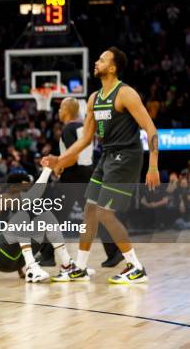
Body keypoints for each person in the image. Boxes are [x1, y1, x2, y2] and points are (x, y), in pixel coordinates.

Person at [47, 47, 160, 284]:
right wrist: (61, 160)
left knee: (104, 213)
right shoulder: (94, 98)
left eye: (102, 59)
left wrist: (153, 165)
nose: (96, 62)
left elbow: (150, 129)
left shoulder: (126, 93)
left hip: (127, 156)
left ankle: (135, 266)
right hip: (107, 156)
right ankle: (79, 266)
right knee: (90, 210)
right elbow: (85, 139)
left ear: (113, 67)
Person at [39, 98, 123, 268]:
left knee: (53, 217)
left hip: (73, 177)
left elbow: (73, 157)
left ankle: (47, 256)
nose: (59, 111)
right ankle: (114, 252)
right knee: (96, 216)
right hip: (88, 174)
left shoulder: (69, 128)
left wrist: (59, 165)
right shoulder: (84, 127)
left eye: (61, 107)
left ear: (67, 110)